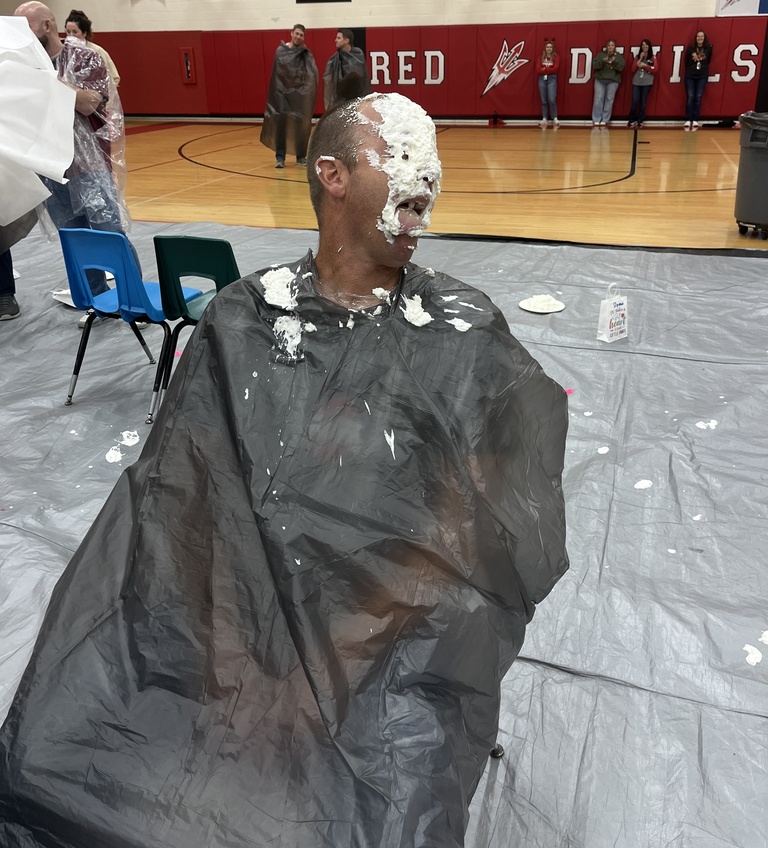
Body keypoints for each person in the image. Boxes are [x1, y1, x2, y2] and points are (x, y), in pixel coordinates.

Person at [0, 92, 569, 848]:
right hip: (236, 630)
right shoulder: (243, 319)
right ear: (332, 175)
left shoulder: (463, 335)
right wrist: (241, 656)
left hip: (384, 643)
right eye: (400, 156)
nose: (425, 178)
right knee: (56, 765)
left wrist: (330, 663)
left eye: (432, 162)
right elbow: (183, 509)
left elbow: (468, 545)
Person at [14, 1, 134, 306]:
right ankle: (96, 301)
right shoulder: (21, 67)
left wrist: (45, 77)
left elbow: (89, 104)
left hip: (88, 164)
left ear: (46, 26)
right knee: (74, 239)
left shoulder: (85, 57)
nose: (22, 39)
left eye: (26, 29)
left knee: (109, 230)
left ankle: (132, 296)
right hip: (49, 167)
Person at [260, 23, 318, 169]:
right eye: (297, 33)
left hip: (299, 96)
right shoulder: (280, 51)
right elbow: (277, 75)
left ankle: (300, 156)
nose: (298, 37)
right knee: (281, 124)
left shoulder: (305, 53)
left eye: (301, 35)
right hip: (282, 95)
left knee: (301, 125)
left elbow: (311, 75)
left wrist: (304, 93)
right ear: (291, 33)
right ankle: (280, 157)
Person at [64, 8, 121, 86]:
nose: (71, 35)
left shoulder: (96, 51)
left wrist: (101, 93)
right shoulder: (64, 52)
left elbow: (114, 78)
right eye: (68, 31)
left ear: (84, 33)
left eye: (75, 32)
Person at [322, 27, 371, 111]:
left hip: (356, 98)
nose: (335, 40)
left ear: (346, 40)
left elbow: (360, 77)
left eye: (338, 38)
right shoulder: (333, 60)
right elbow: (329, 83)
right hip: (341, 100)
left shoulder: (358, 54)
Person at [591, 39, 625, 126]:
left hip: (613, 81)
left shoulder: (618, 56)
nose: (610, 47)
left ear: (614, 47)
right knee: (598, 98)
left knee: (609, 99)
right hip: (600, 79)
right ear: (606, 47)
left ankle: (605, 119)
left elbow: (621, 68)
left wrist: (614, 62)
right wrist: (603, 61)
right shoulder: (601, 55)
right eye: (609, 45)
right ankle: (596, 119)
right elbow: (594, 65)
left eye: (612, 45)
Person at [684, 30, 713, 130]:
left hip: (702, 76)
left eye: (702, 37)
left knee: (698, 97)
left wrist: (698, 57)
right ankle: (688, 119)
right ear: (695, 38)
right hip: (690, 76)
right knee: (690, 97)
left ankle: (695, 119)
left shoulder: (708, 48)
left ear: (704, 38)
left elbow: (707, 59)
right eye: (698, 36)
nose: (700, 38)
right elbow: (686, 62)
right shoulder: (691, 48)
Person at [627, 39, 658, 128]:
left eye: (646, 45)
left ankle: (640, 120)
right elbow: (633, 69)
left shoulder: (652, 57)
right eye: (643, 45)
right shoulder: (637, 56)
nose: (644, 46)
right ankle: (631, 120)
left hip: (647, 82)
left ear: (649, 46)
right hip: (637, 82)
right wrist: (640, 59)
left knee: (643, 101)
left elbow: (655, 68)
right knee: (635, 100)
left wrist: (646, 66)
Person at [536, 38, 560, 128]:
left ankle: (554, 117)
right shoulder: (540, 57)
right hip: (542, 79)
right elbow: (538, 69)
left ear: (553, 48)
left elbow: (556, 68)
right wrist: (548, 69)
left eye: (550, 47)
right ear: (545, 48)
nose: (549, 49)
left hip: (552, 79)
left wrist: (545, 69)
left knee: (552, 98)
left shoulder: (556, 57)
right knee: (543, 99)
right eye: (547, 47)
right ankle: (544, 117)